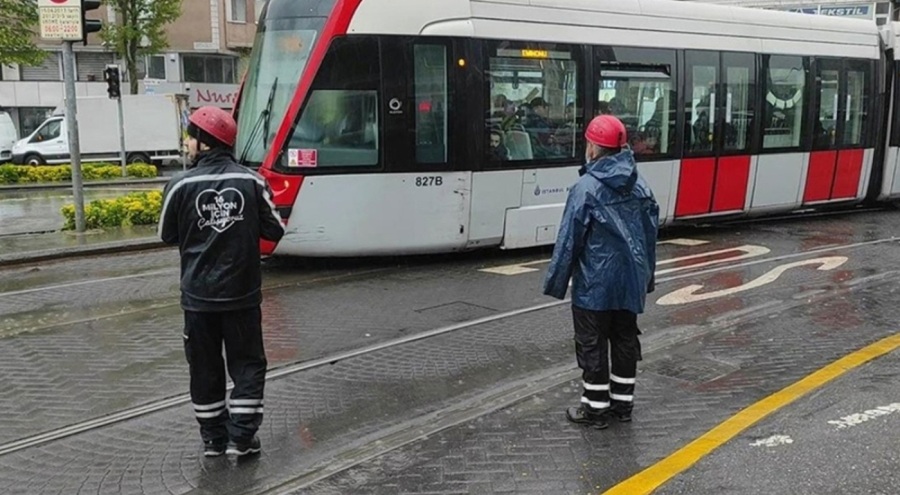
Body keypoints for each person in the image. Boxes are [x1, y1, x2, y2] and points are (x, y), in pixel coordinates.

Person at [158, 106, 285, 457]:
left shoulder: (179, 185)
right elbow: (276, 229)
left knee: (204, 367)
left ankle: (213, 439)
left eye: (190, 136)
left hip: (197, 299)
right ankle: (241, 439)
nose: (186, 142)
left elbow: (167, 235)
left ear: (203, 142)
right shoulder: (252, 182)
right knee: (247, 365)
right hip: (242, 297)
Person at [543, 114, 659, 430]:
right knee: (624, 340)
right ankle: (623, 405)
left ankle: (595, 408)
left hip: (594, 285)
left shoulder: (586, 188)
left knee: (592, 345)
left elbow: (569, 240)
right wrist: (647, 277)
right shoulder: (641, 185)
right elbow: (649, 236)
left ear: (593, 147)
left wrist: (556, 282)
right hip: (629, 282)